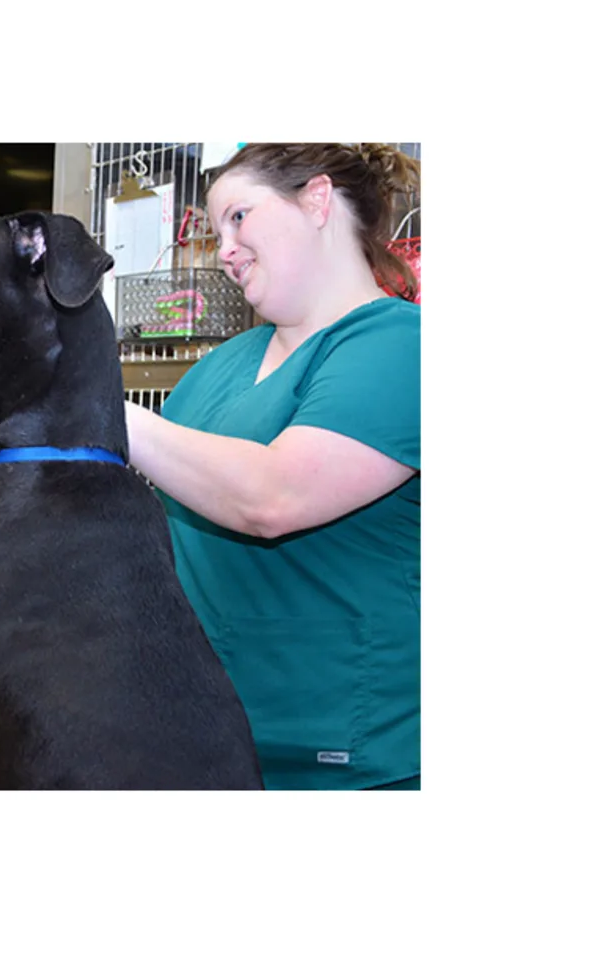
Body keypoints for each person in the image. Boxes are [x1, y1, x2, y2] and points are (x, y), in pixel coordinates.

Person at [124, 143, 421, 790]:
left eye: (239, 217)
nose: (224, 247)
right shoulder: (216, 370)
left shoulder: (403, 346)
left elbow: (275, 497)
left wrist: (96, 407)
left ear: (317, 200)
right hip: (204, 732)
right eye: (214, 230)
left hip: (348, 745)